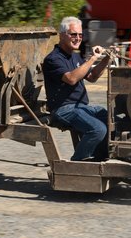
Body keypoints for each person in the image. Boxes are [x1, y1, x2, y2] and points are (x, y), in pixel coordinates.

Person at [42, 16, 112, 161]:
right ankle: (77, 163)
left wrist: (107, 58)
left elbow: (92, 77)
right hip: (64, 109)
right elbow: (71, 78)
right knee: (98, 129)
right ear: (61, 35)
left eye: (80, 35)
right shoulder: (53, 59)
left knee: (114, 121)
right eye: (73, 34)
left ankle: (100, 159)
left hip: (81, 107)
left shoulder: (75, 57)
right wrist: (92, 59)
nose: (78, 38)